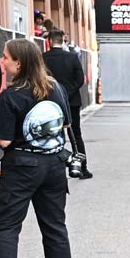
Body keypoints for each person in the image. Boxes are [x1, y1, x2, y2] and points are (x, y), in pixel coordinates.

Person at [0, 38, 76, 258]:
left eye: (6, 57)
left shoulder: (10, 96)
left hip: (21, 167)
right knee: (55, 227)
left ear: (19, 63)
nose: (2, 61)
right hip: (53, 165)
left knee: (7, 226)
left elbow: (4, 142)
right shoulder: (55, 88)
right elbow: (65, 125)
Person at [42, 30, 91, 179]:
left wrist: (55, 94)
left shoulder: (43, 58)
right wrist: (68, 92)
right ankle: (82, 168)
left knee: (49, 134)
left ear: (50, 41)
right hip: (72, 101)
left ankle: (51, 171)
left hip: (50, 103)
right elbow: (80, 79)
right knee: (76, 134)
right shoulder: (72, 57)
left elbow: (40, 79)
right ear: (62, 40)